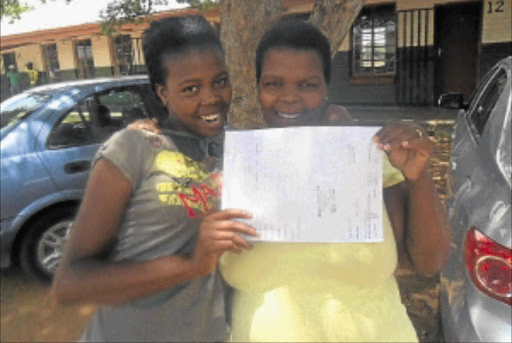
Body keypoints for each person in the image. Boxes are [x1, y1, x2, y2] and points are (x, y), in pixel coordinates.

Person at [130, 20, 450, 342]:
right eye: (273, 83)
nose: (289, 98)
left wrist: (417, 176)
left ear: (326, 87)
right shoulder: (229, 169)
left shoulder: (365, 158)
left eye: (308, 84)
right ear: (257, 87)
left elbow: (427, 261)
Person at [51, 16, 257, 342]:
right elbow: (70, 285)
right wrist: (191, 264)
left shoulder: (236, 149)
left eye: (220, 81)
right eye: (191, 88)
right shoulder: (134, 148)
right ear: (163, 93)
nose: (212, 97)